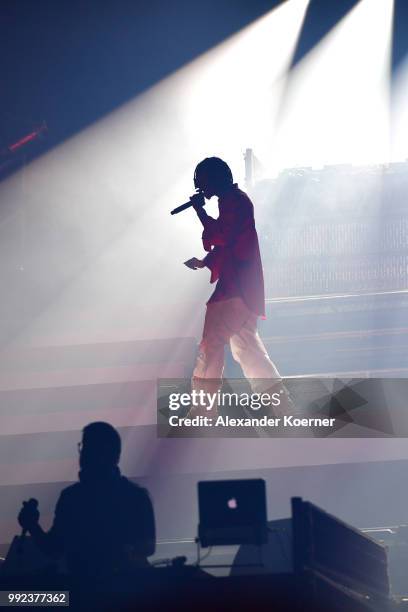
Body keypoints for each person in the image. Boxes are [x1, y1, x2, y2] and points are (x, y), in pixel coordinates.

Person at [184, 157, 290, 416]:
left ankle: (202, 410)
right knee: (247, 349)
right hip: (244, 286)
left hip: (234, 288)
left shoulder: (234, 202)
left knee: (211, 344)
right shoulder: (233, 200)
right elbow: (228, 243)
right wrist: (205, 261)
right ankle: (280, 404)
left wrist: (200, 212)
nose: (201, 190)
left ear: (212, 180)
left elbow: (221, 235)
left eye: (203, 183)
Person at [17, 422, 156, 578]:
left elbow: (54, 549)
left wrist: (33, 526)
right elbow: (54, 548)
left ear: (111, 454)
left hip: (103, 592)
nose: (84, 454)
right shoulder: (135, 496)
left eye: (90, 448)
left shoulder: (72, 498)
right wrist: (32, 526)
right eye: (84, 448)